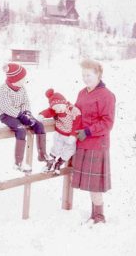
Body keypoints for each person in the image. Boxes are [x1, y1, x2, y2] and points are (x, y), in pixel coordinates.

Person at [71, 59, 116, 224]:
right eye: (83, 75)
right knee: (90, 184)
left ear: (98, 75)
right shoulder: (82, 92)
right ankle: (93, 215)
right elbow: (78, 112)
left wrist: (88, 131)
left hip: (97, 144)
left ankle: (99, 217)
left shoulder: (107, 95)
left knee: (95, 185)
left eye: (89, 75)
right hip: (82, 143)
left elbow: (107, 123)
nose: (85, 78)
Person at [0, 62, 48, 173]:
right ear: (16, 79)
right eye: (23, 78)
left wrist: (27, 114)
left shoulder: (22, 88)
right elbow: (6, 107)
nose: (25, 80)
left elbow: (25, 102)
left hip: (22, 113)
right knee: (21, 129)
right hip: (7, 115)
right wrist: (20, 116)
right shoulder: (2, 91)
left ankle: (42, 154)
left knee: (38, 124)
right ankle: (18, 163)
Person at [38, 88, 81, 174]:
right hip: (60, 133)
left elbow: (77, 124)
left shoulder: (73, 110)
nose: (59, 109)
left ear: (64, 103)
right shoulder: (56, 111)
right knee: (56, 148)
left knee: (70, 150)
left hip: (70, 135)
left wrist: (73, 135)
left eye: (60, 106)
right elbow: (49, 111)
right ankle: (49, 163)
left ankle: (59, 163)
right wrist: (42, 115)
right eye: (56, 108)